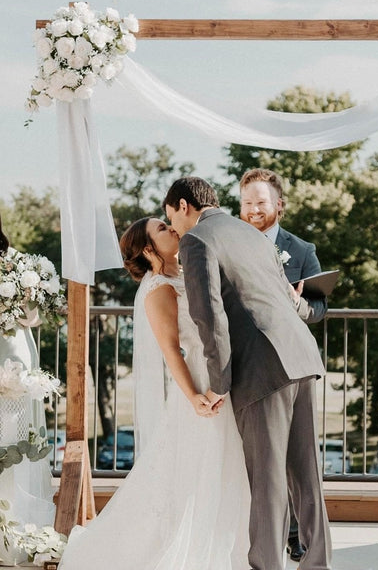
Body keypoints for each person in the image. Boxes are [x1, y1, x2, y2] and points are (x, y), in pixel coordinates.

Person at [58, 217, 250, 570]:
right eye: (163, 228)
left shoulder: (184, 273)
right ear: (148, 249)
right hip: (195, 387)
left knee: (219, 465)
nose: (172, 229)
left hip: (215, 381)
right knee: (199, 469)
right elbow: (171, 349)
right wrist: (194, 396)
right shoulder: (159, 287)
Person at [163, 177, 332, 570]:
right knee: (306, 473)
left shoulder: (197, 240)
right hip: (301, 356)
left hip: (261, 366)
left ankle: (267, 567)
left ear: (184, 206)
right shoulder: (254, 235)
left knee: (268, 479)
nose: (174, 227)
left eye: (171, 216)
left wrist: (219, 384)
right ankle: (318, 565)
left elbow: (210, 319)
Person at [239, 167, 327, 560]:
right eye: (246, 203)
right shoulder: (233, 243)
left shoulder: (302, 250)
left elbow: (322, 306)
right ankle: (275, 549)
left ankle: (312, 557)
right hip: (253, 368)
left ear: (279, 205)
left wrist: (299, 304)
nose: (253, 210)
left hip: (295, 363)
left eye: (260, 202)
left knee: (302, 469)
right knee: (268, 471)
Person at [0, 213, 55, 565]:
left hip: (12, 358)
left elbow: (33, 318)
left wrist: (21, 303)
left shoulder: (16, 262)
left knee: (12, 446)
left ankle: (15, 535)